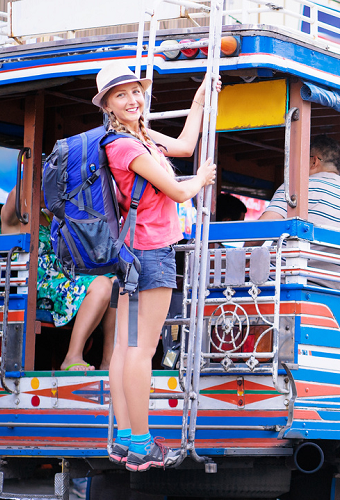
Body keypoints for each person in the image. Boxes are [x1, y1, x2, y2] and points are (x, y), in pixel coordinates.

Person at [95, 62, 218, 471]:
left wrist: (200, 99)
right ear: (108, 106)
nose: (132, 100)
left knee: (125, 349)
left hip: (132, 254)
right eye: (121, 95)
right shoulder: (126, 147)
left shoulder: (138, 136)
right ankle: (143, 443)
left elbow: (183, 145)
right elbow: (180, 191)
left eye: (136, 91)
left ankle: (126, 438)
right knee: (142, 349)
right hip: (150, 252)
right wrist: (202, 179)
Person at [0, 189, 115, 371]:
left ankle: (108, 362)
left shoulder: (55, 219)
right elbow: (20, 191)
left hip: (60, 281)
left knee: (115, 283)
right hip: (33, 286)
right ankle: (72, 356)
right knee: (101, 286)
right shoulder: (17, 217)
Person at [258, 135, 340, 289]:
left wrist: (243, 261)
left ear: (314, 161)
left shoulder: (298, 188)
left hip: (277, 288)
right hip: (327, 294)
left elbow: (260, 231)